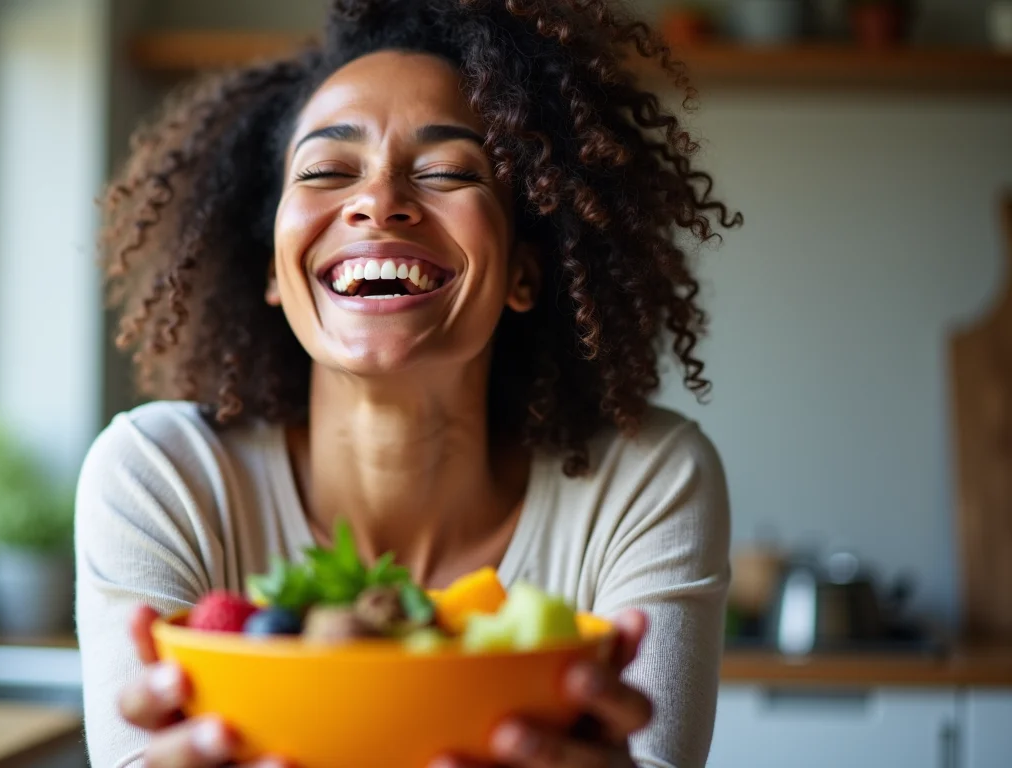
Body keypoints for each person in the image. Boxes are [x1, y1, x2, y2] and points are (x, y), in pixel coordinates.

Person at [78, 1, 741, 766]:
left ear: (525, 270)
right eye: (327, 171)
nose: (379, 199)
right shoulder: (161, 475)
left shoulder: (645, 479)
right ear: (271, 268)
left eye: (449, 172)